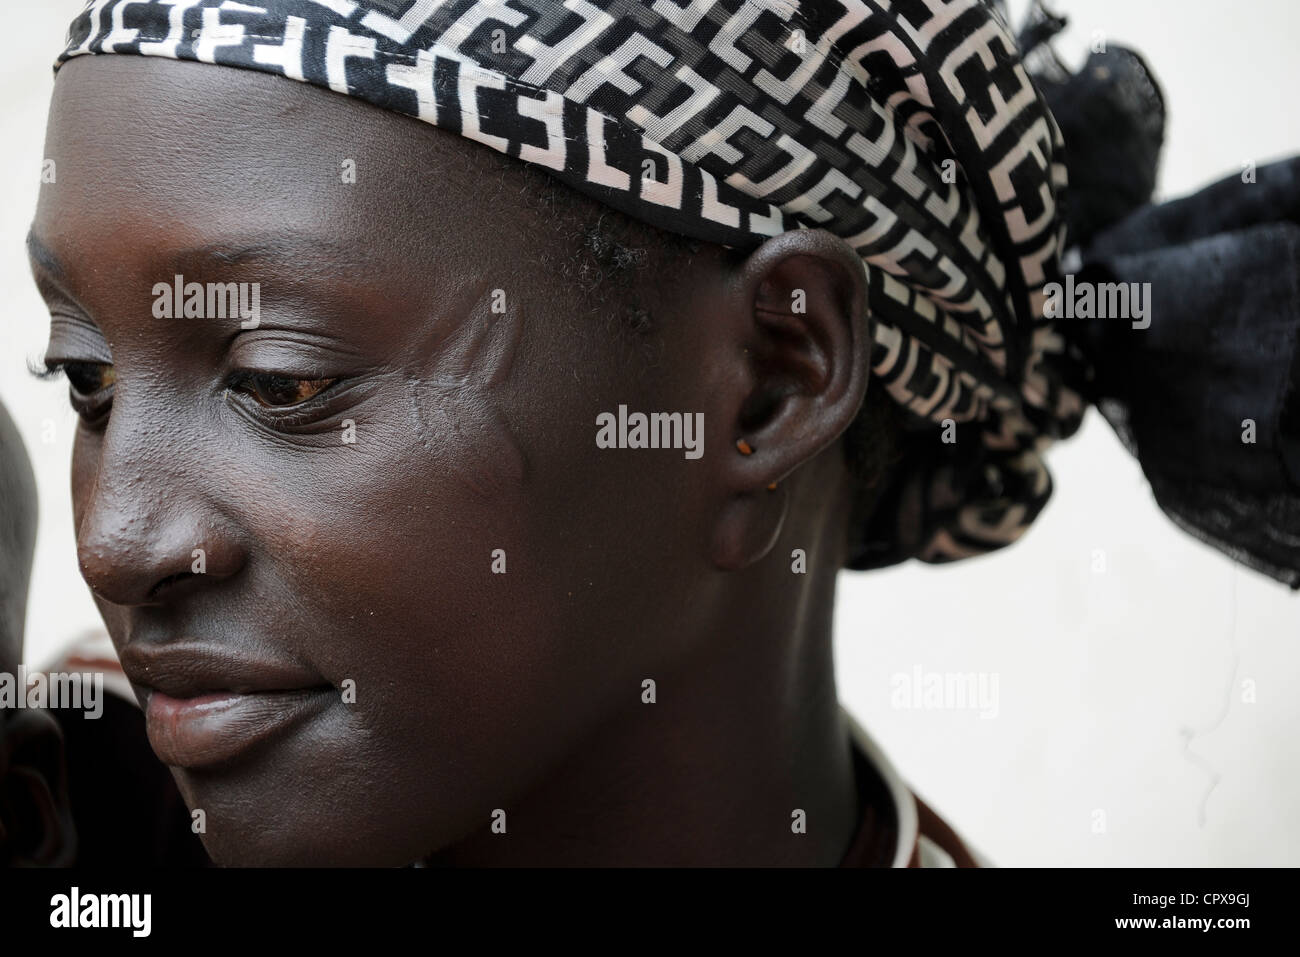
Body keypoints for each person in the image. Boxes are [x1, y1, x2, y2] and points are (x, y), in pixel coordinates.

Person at [23, 0, 1298, 866]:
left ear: (767, 386)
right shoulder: (67, 787)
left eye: (281, 380)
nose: (116, 537)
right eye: (88, 379)